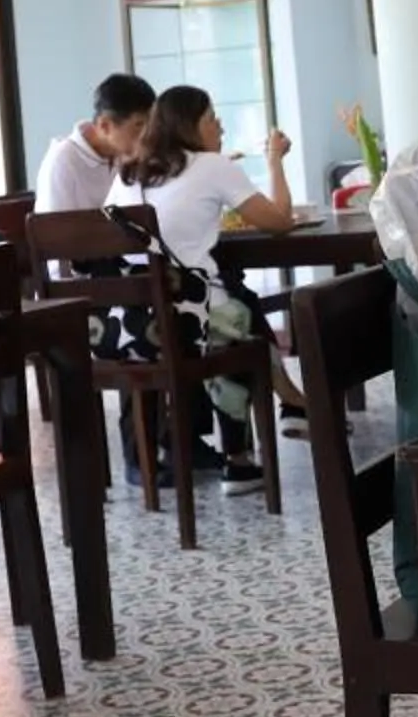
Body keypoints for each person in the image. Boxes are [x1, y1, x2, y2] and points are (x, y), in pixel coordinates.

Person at [106, 86, 289, 490]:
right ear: (187, 126)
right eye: (211, 118)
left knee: (233, 306)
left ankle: (270, 427)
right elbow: (280, 221)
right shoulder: (210, 165)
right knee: (235, 317)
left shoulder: (127, 175)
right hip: (188, 323)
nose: (219, 125)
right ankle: (252, 444)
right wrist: (275, 161)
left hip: (129, 330)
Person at [36, 73, 157, 216]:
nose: (148, 134)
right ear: (105, 126)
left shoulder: (126, 154)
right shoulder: (62, 161)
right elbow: (51, 231)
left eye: (151, 124)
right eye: (139, 125)